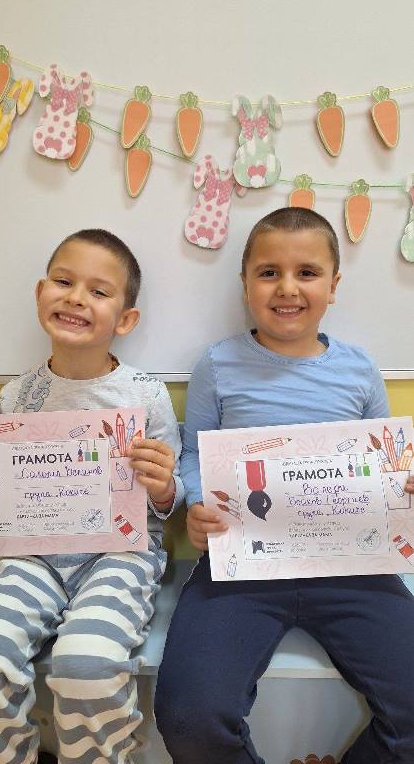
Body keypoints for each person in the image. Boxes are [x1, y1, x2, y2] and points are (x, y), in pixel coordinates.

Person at [155, 207, 414, 764]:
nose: (288, 288)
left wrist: (401, 490)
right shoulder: (218, 364)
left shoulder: (360, 370)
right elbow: (195, 453)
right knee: (189, 716)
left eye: (307, 272)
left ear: (334, 286)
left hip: (353, 566)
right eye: (269, 272)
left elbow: (384, 463)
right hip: (241, 565)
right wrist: (198, 503)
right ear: (245, 283)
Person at [0, 228, 183, 764]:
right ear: (41, 293)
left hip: (119, 553)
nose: (77, 298)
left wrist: (163, 486)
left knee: (87, 663)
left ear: (125, 320)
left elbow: (169, 501)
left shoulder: (145, 394)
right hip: (32, 556)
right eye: (63, 282)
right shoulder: (16, 396)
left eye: (99, 291)